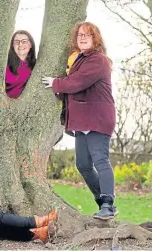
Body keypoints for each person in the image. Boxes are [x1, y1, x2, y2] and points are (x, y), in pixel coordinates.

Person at [42, 22, 118, 220]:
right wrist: (60, 89)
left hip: (97, 118)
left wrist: (55, 83)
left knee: (100, 160)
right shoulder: (79, 60)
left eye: (87, 35)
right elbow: (72, 90)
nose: (83, 38)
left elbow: (78, 82)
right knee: (83, 164)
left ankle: (108, 204)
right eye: (79, 35)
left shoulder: (98, 60)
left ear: (95, 39)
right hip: (83, 121)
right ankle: (102, 201)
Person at [5, 30, 36, 99]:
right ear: (12, 45)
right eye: (16, 42)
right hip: (4, 105)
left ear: (30, 44)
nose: (20, 44)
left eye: (24, 41)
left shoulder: (35, 65)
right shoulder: (5, 64)